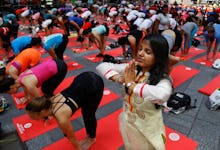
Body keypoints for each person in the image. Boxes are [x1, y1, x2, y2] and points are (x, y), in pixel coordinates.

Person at [96, 34, 173, 149]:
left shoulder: (162, 79)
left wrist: (131, 85)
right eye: (141, 48)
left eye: (148, 52)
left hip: (147, 127)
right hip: (128, 121)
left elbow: (163, 94)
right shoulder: (132, 69)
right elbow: (102, 66)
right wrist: (119, 78)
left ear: (158, 57)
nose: (140, 53)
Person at [25, 71, 104, 150]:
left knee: (88, 114)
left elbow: (71, 136)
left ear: (41, 112)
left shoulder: (61, 116)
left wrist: (78, 148)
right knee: (83, 104)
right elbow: (64, 129)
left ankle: (92, 138)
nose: (30, 118)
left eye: (31, 116)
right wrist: (66, 134)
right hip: (82, 77)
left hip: (95, 84)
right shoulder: (48, 102)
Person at [0, 59, 67, 103]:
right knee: (44, 88)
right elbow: (30, 93)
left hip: (60, 67)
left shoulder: (28, 84)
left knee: (47, 91)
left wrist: (45, 115)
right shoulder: (20, 78)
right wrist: (27, 98)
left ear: (11, 87)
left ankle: (55, 105)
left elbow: (40, 100)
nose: (11, 94)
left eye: (8, 92)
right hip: (53, 61)